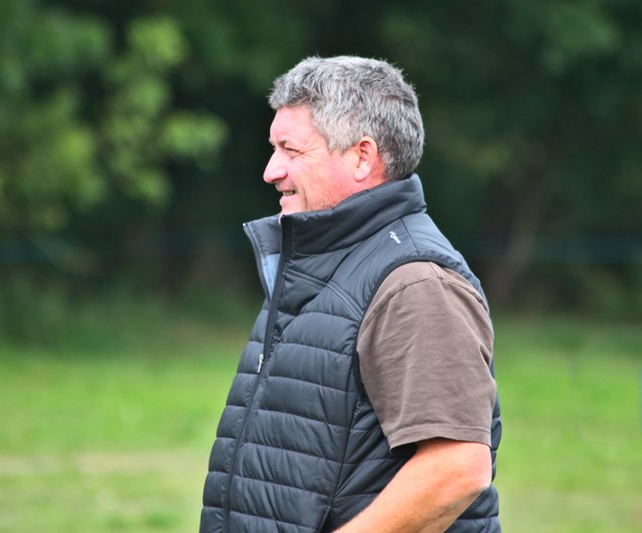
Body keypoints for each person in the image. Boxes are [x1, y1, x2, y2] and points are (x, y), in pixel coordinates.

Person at [200, 56, 501, 532]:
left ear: (362, 157)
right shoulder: (320, 265)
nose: (271, 171)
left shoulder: (416, 282)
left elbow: (456, 468)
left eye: (290, 150)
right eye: (273, 148)